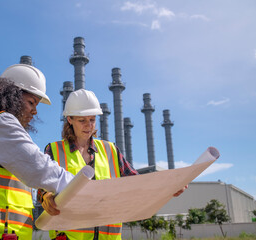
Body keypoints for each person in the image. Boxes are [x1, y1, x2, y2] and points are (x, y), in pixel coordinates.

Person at [37, 89, 187, 240]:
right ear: (69, 119)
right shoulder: (55, 150)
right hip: (70, 236)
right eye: (82, 120)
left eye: (92, 120)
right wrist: (45, 195)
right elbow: (42, 186)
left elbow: (137, 183)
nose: (88, 126)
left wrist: (168, 187)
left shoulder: (110, 150)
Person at [0, 64, 75, 240]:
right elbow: (40, 168)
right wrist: (83, 190)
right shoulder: (1, 123)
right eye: (31, 102)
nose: (35, 111)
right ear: (11, 97)